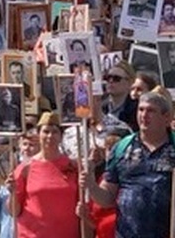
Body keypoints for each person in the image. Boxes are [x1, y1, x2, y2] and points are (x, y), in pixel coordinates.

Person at [83, 92, 175, 238]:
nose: (144, 115)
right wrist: (92, 186)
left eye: (151, 110)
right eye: (141, 109)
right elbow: (107, 199)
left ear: (166, 117)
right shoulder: (121, 148)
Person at [11, 112, 79, 238]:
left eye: (55, 132)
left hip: (67, 233)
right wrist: (12, 193)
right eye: (46, 131)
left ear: (61, 136)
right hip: (32, 234)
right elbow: (14, 211)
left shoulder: (73, 167)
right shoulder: (25, 168)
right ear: (39, 134)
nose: (50, 136)